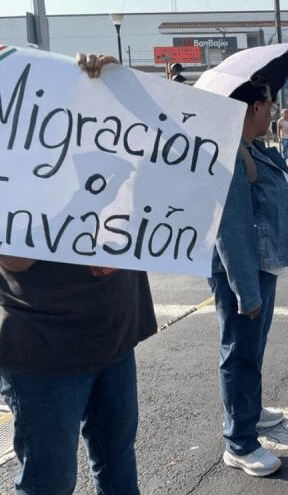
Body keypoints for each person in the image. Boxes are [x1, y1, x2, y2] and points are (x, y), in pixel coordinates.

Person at [0, 53, 155, 495]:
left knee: (117, 461)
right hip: (45, 351)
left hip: (114, 336)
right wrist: (86, 198)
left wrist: (118, 83)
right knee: (49, 482)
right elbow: (16, 259)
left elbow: (168, 152)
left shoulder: (99, 136)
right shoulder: (13, 160)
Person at [210, 78, 288, 477]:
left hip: (262, 265)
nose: (274, 111)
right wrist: (246, 292)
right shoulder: (229, 155)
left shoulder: (251, 148)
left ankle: (249, 412)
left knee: (252, 347)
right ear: (252, 108)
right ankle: (239, 441)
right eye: (269, 104)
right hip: (243, 270)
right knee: (239, 352)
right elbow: (230, 228)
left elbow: (263, 194)